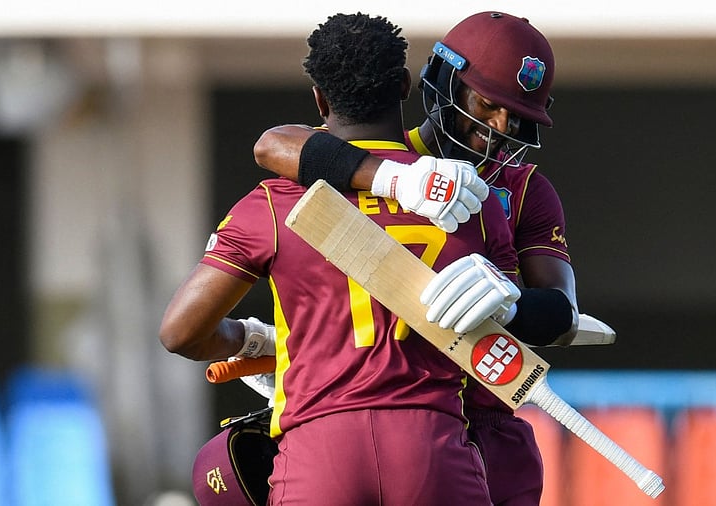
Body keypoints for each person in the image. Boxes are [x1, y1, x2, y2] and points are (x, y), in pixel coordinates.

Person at [160, 13, 524, 505]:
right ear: (404, 86)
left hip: (320, 450)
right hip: (433, 451)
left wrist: (251, 340)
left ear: (319, 99)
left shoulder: (271, 203)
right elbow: (506, 350)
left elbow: (180, 333)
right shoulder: (470, 199)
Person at [248, 12, 586, 506]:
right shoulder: (372, 159)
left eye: (517, 117)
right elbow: (271, 145)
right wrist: (399, 179)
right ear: (446, 82)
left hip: (484, 425)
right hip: (382, 418)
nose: (499, 128)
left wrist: (509, 304)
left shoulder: (524, 187)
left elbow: (563, 314)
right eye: (489, 105)